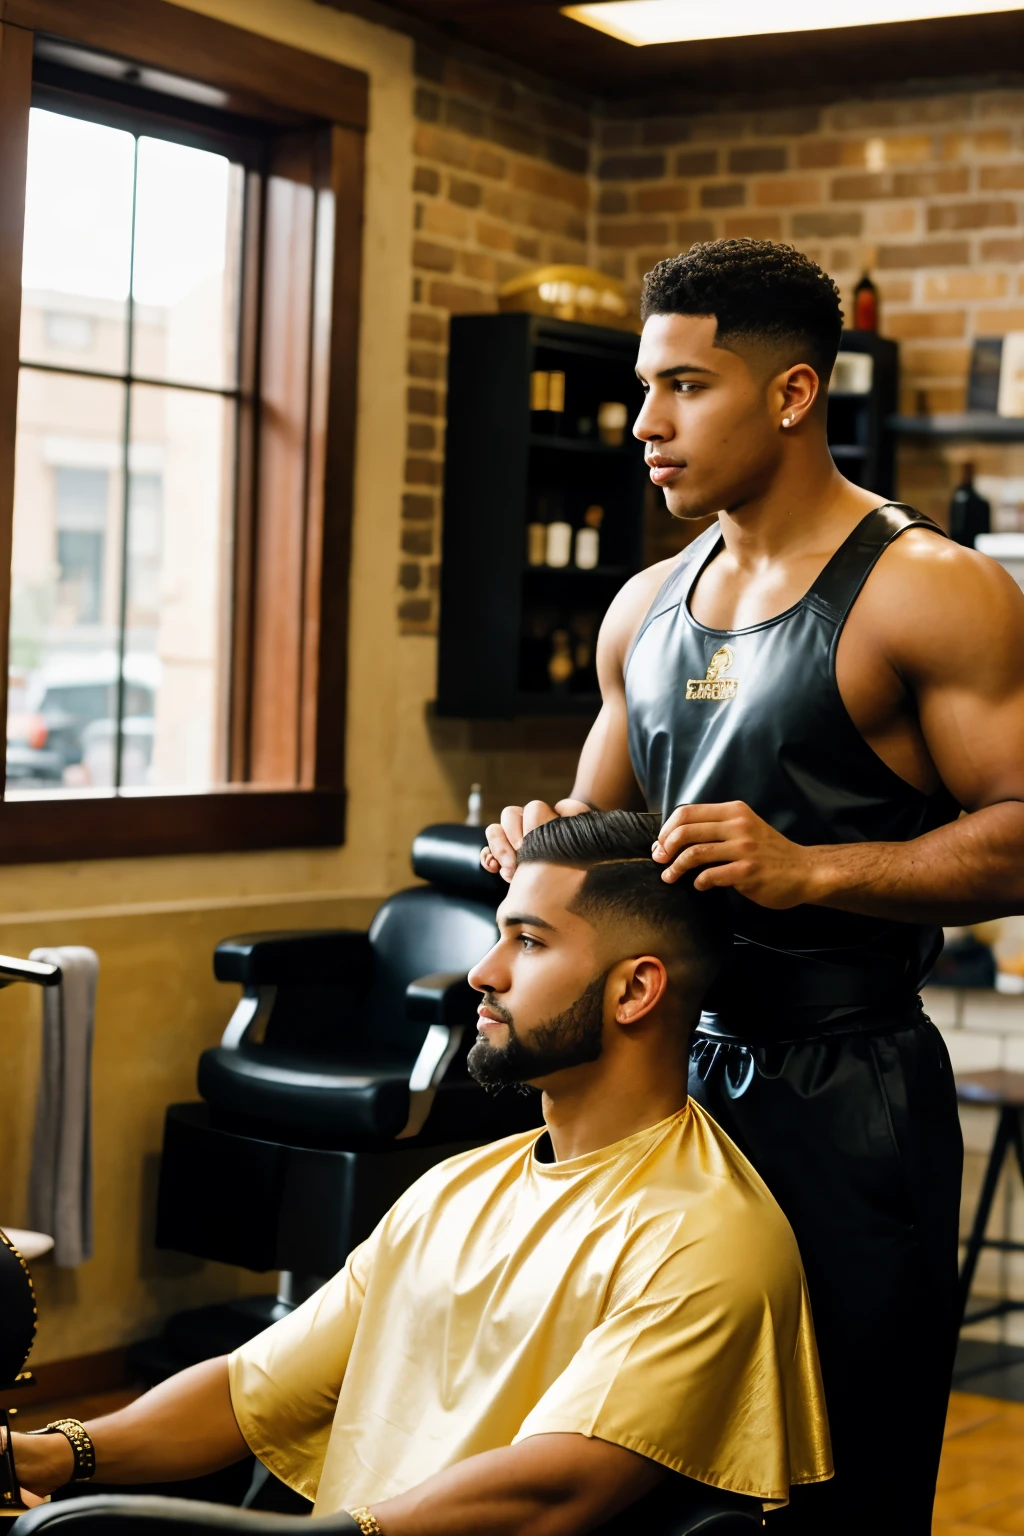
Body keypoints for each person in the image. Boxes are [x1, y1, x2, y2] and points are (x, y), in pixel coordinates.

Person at [483, 239, 1024, 1535]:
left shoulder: (929, 591)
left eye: (686, 388)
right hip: (661, 1082)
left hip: (846, 1091)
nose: (647, 426)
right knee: (639, 1457)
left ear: (791, 394)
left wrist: (812, 867)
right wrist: (541, 836)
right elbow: (602, 836)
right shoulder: (643, 610)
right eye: (644, 389)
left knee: (838, 1471)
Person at [8, 811, 831, 1533]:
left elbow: (551, 1495)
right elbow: (252, 1389)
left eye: (530, 941)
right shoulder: (454, 1189)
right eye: (499, 931)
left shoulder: (707, 1242)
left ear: (636, 990)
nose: (484, 971)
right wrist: (43, 1456)